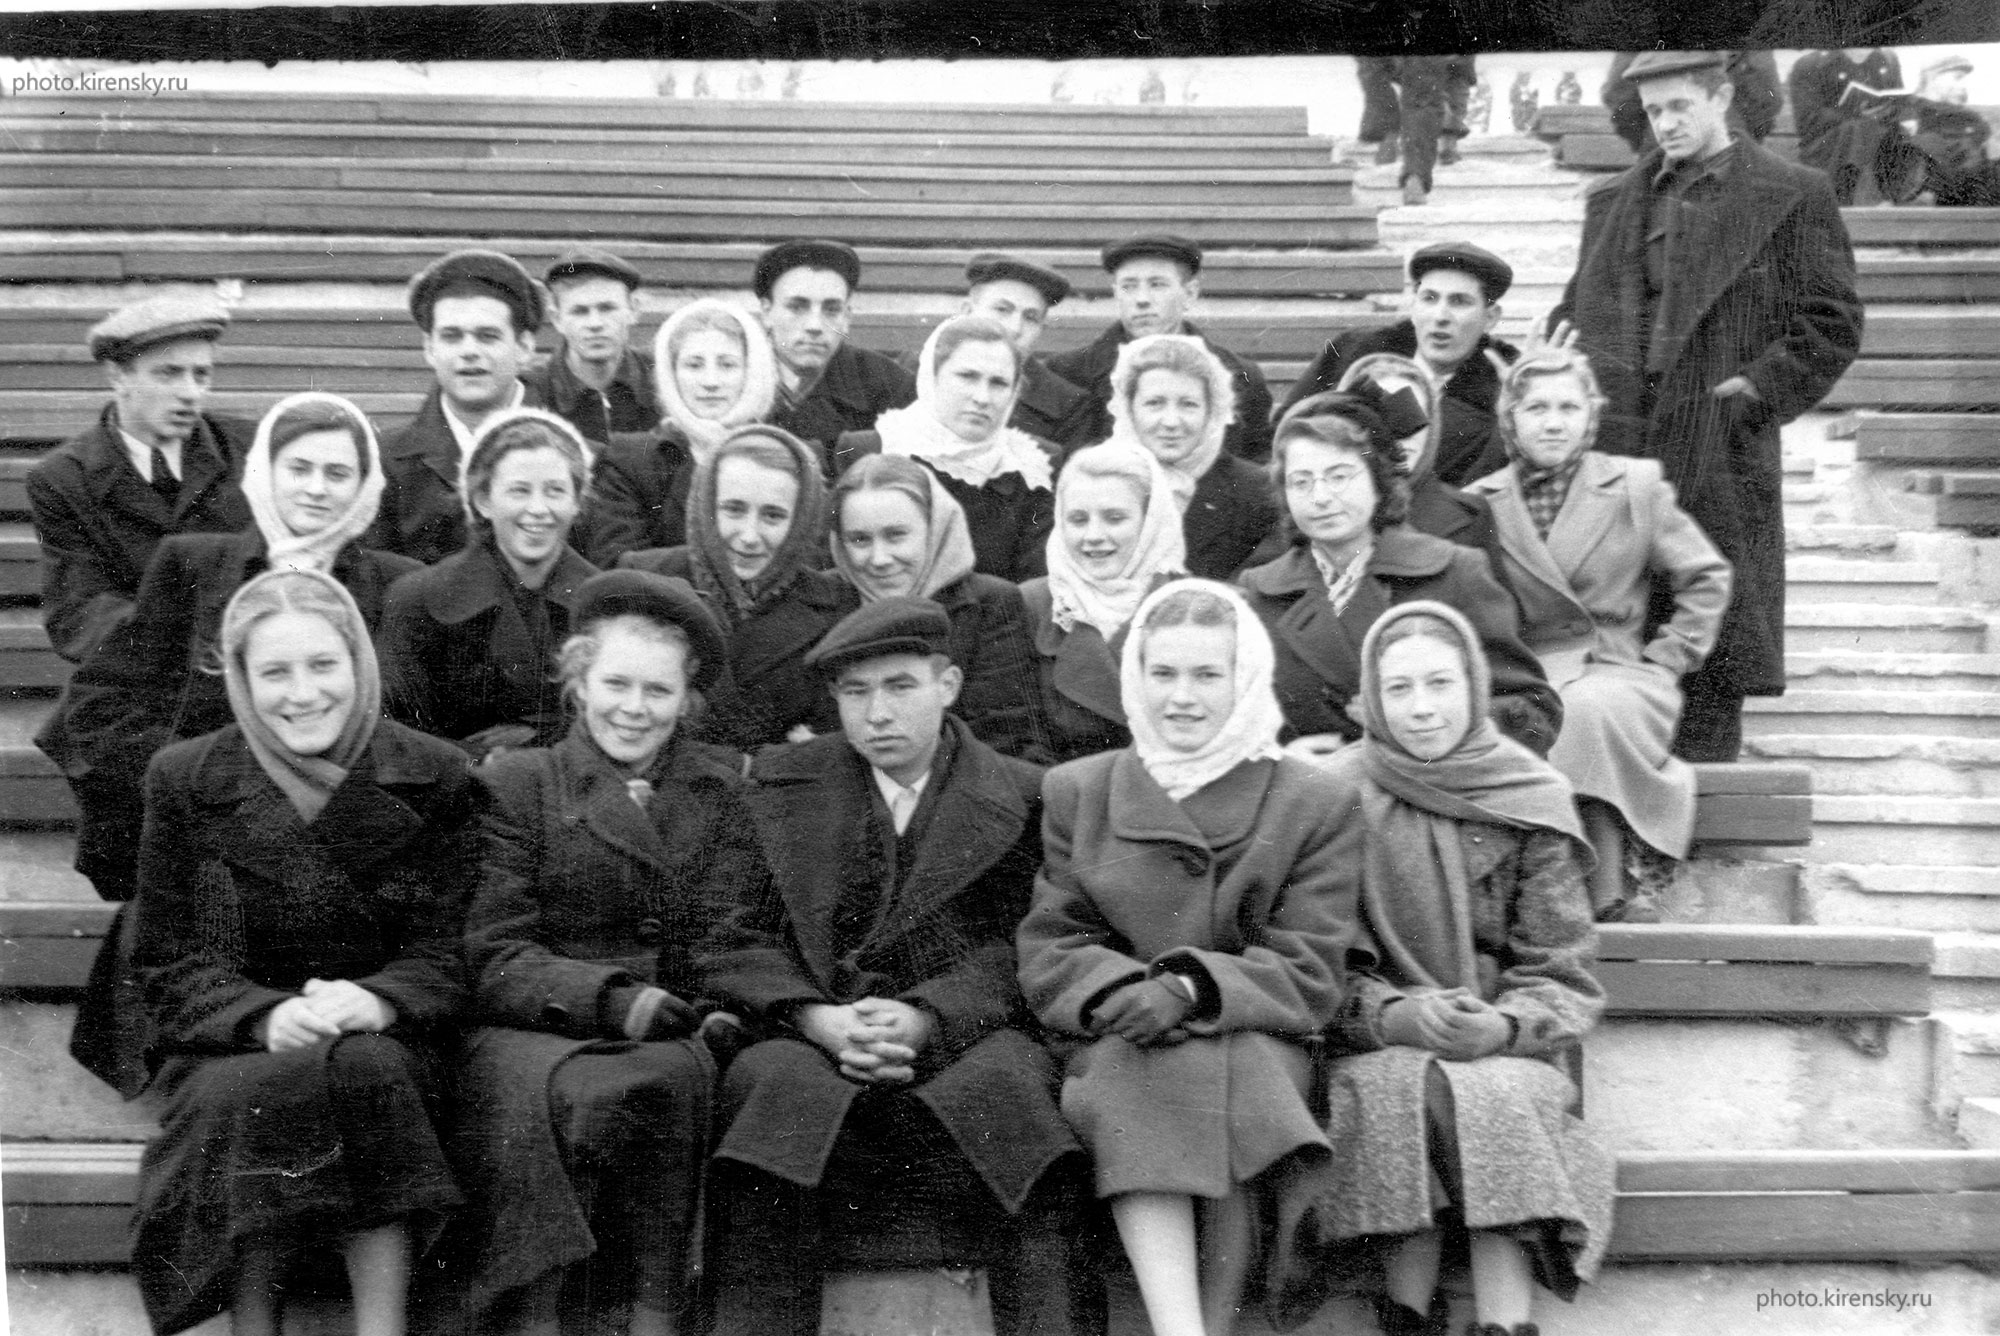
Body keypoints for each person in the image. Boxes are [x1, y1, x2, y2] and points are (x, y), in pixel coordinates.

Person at [700, 597, 1094, 1336]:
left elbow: (1030, 942)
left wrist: (928, 1016)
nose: (877, 713)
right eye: (855, 692)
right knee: (769, 1091)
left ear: (948, 685)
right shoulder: (780, 785)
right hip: (815, 1028)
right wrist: (813, 1017)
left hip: (965, 1034)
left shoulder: (1023, 795)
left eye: (900, 686)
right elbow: (728, 932)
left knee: (1020, 1102)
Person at [127, 569, 479, 1336]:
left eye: (323, 665)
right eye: (275, 672)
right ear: (242, 680)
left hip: (390, 1034)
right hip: (232, 1038)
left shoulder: (436, 773)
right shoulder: (185, 778)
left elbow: (450, 944)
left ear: (359, 662)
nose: (303, 693)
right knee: (264, 1086)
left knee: (366, 1069)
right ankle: (254, 1325)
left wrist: (380, 998)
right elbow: (164, 957)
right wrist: (262, 1016)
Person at [1017, 578, 1363, 1336]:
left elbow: (1311, 962)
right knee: (1139, 1072)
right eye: (1162, 673)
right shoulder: (1080, 790)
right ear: (1134, 679)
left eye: (1207, 674)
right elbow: (1054, 942)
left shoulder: (1313, 800)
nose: (1181, 697)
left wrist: (1191, 989)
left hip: (1258, 1028)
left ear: (1246, 679)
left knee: (1228, 1074)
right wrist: (1126, 993)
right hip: (1120, 1028)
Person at [47, 394, 419, 1096]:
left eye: (337, 473)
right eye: (298, 468)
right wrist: (200, 788)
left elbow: (419, 728)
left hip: (348, 840)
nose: (316, 488)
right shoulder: (196, 563)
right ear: (264, 473)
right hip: (215, 840)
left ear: (365, 486)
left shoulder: (398, 584)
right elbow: (102, 706)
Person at [1267, 601, 1612, 1336]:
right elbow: (1313, 959)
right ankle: (1406, 1315)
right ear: (1372, 697)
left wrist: (1506, 1025)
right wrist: (1392, 1015)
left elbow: (1561, 966)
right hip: (1372, 1040)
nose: (1422, 708)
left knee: (1490, 1092)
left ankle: (1503, 1323)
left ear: (1475, 687)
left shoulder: (1531, 794)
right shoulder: (1332, 795)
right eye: (1399, 689)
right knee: (1403, 1087)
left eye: (1440, 684)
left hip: (1508, 1044)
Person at [454, 570, 766, 1336]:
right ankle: (538, 1316)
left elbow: (727, 929)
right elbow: (495, 953)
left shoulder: (723, 791)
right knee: (591, 1096)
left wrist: (711, 1008)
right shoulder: (520, 784)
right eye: (615, 684)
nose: (634, 708)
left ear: (687, 700)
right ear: (578, 684)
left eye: (658, 691)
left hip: (670, 1024)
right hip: (536, 1026)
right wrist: (613, 999)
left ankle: (657, 1313)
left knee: (663, 1083)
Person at [1552, 48, 1861, 762]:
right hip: (1621, 446)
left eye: (1680, 107)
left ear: (1721, 99)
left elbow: (1832, 323)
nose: (1665, 124)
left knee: (1712, 652)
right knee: (1613, 648)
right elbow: (1576, 309)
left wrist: (1754, 393)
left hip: (1718, 445)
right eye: (1654, 111)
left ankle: (1710, 804)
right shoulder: (1611, 201)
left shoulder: (1794, 192)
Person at [1467, 347, 1732, 922]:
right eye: (1537, 408)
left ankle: (1594, 890)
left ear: (1591, 414)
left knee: (1582, 710)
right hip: (1525, 673)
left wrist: (1669, 658)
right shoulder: (1481, 501)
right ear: (1510, 418)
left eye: (1569, 407)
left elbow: (1706, 576)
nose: (1553, 422)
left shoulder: (1634, 485)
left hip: (1617, 672)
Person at [1238, 394, 1559, 761]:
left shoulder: (1454, 571)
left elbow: (1531, 712)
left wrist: (1422, 728)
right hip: (1317, 788)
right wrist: (1281, 756)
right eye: (1301, 482)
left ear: (1378, 483)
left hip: (1437, 782)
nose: (1321, 496)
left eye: (1339, 477)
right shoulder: (1261, 593)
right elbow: (1241, 722)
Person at [27, 293, 252, 666]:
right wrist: (184, 642)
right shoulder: (64, 478)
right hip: (136, 674)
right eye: (168, 373)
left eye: (201, 374)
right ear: (118, 376)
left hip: (247, 664)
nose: (190, 393)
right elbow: (78, 612)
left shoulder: (250, 449)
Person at [379, 409, 598, 762]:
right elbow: (394, 729)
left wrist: (538, 743)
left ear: (576, 502)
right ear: (483, 501)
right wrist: (477, 758)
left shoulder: (603, 603)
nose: (538, 509)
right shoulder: (417, 599)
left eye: (555, 491)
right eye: (519, 491)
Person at [619, 424, 848, 751]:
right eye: (734, 510)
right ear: (706, 507)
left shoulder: (833, 606)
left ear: (800, 521)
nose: (750, 536)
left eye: (773, 516)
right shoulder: (643, 579)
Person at [828, 454, 1052, 761]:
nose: (879, 558)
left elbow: (1007, 735)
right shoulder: (826, 602)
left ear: (935, 530)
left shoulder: (989, 603)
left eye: (896, 535)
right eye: (860, 540)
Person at [837, 314, 1059, 582]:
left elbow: (1035, 582)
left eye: (999, 383)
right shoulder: (870, 449)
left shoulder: (1034, 465)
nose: (982, 397)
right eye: (967, 377)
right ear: (932, 377)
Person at [1278, 242, 1519, 488]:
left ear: (1491, 317)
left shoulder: (1508, 385)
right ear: (1413, 306)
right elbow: (1284, 432)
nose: (1440, 316)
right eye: (1429, 298)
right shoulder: (1353, 351)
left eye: (1459, 302)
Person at [371, 249, 549, 565]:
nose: (469, 351)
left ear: (524, 347)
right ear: (429, 348)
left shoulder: (580, 455)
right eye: (452, 336)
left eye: (487, 336)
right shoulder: (385, 463)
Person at [1020, 440, 1188, 763]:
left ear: (1150, 522)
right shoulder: (1029, 606)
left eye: (1114, 518)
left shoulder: (1194, 604)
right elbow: (1017, 741)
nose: (1094, 535)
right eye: (1078, 519)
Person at [1045, 233, 1275, 463]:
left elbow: (1256, 467)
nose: (1142, 299)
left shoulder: (1238, 375)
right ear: (1116, 293)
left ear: (1190, 293)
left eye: (1157, 285)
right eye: (1128, 286)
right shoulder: (1068, 374)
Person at [586, 297, 781, 566]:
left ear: (751, 372)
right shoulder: (632, 459)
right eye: (694, 365)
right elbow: (615, 562)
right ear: (671, 373)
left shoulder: (784, 457)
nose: (710, 382)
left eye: (727, 365)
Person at [1102, 333, 1275, 581]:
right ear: (1129, 409)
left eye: (1188, 404)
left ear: (1211, 411)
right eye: (1154, 403)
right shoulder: (1095, 480)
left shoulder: (1257, 492)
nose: (1171, 422)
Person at [1329, 357, 1506, 580]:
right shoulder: (1321, 508)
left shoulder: (1470, 516)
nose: (1405, 434)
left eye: (1414, 416)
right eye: (1383, 416)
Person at [754, 237, 917, 452]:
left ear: (847, 317)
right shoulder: (732, 376)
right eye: (797, 307)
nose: (814, 326)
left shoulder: (889, 384)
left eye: (831, 310)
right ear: (766, 312)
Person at [952, 250, 1098, 450]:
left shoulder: (1068, 406)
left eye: (1030, 317)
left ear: (1041, 328)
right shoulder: (917, 374)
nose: (1015, 328)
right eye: (1002, 309)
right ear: (967, 312)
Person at [527, 246, 660, 444]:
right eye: (579, 312)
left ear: (634, 310)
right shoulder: (532, 392)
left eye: (607, 308)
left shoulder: (662, 379)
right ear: (557, 319)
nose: (595, 324)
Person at [1788, 48, 1929, 206]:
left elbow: (1898, 102)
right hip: (1827, 146)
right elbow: (1807, 119)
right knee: (1860, 129)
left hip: (1876, 139)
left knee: (1899, 134)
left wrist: (1905, 117)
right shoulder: (1810, 64)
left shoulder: (1886, 58)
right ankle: (1868, 202)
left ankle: (1898, 196)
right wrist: (1853, 113)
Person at [1603, 50, 1784, 154]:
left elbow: (1619, 93)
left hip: (1660, 144)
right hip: (1730, 139)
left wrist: (1647, 136)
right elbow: (1767, 95)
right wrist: (1743, 131)